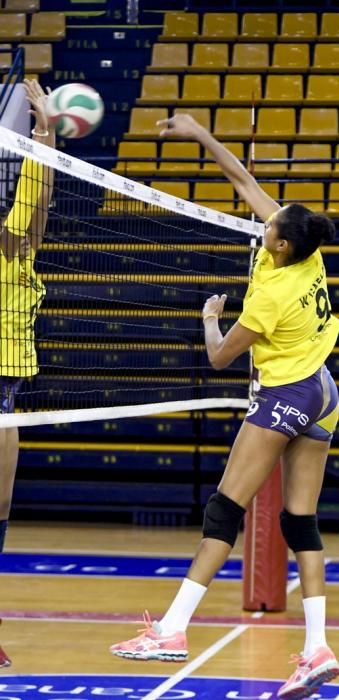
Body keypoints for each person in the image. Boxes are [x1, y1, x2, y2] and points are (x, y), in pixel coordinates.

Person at [110, 113, 339, 698]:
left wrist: (211, 320)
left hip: (287, 394)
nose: (263, 220)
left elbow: (219, 359)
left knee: (224, 509)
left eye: (270, 224)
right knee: (300, 521)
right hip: (324, 389)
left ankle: (171, 630)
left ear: (280, 243)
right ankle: (317, 648)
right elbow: (242, 180)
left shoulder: (270, 295)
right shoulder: (307, 252)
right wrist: (200, 134)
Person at [0, 79, 55, 666]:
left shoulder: (20, 249)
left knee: (2, 509)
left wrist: (46, 133)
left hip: (7, 390)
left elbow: (36, 203)